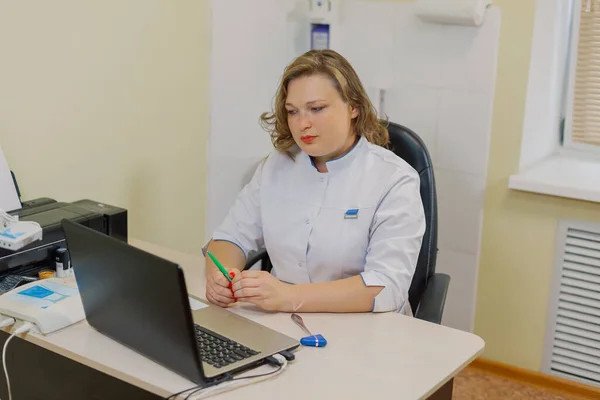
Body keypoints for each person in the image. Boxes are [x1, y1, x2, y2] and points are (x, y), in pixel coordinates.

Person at [203, 49, 425, 315]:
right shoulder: (277, 165)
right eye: (293, 111)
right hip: (282, 321)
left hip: (365, 329)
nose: (302, 124)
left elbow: (387, 285)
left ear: (354, 106)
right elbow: (230, 238)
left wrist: (290, 296)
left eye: (316, 109)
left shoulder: (394, 179)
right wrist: (220, 277)